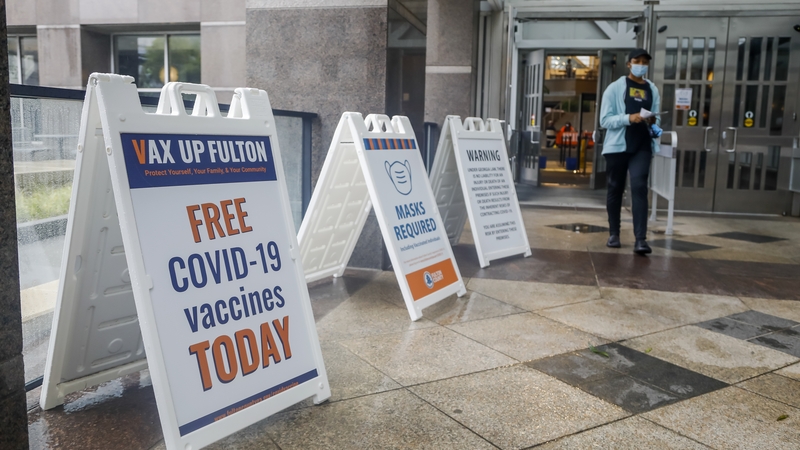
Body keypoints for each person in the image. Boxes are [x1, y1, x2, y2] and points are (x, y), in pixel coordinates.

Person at [599, 48, 661, 255]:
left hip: (642, 145)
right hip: (617, 147)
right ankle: (614, 234)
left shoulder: (652, 89)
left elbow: (657, 116)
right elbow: (605, 120)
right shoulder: (615, 88)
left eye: (645, 61)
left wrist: (654, 124)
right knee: (615, 188)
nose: (641, 64)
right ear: (629, 64)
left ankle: (641, 240)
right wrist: (629, 118)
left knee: (639, 186)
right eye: (637, 61)